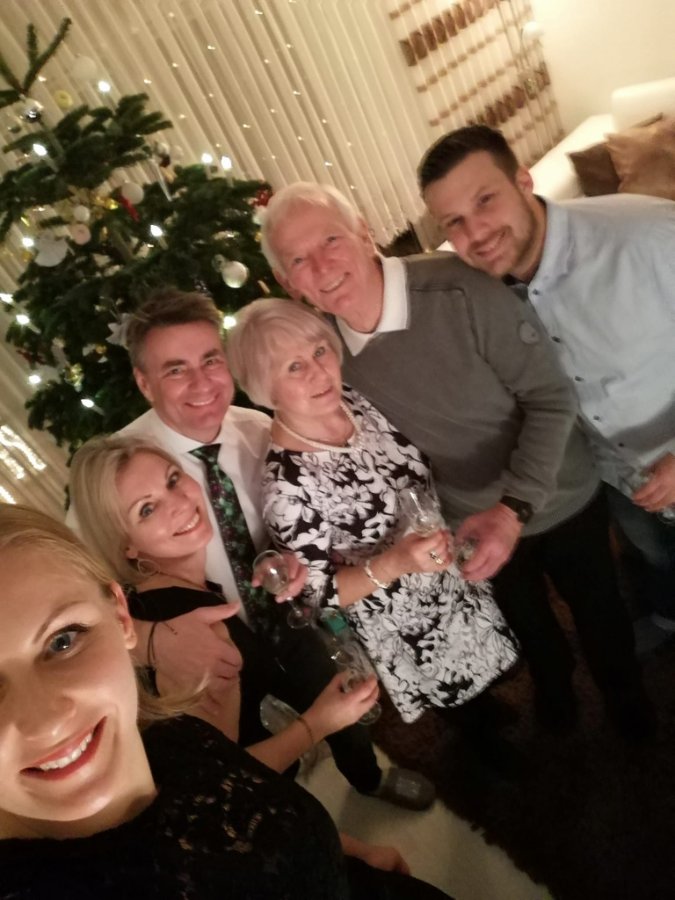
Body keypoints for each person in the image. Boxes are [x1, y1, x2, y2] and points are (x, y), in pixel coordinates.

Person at [259, 181, 650, 738]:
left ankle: (627, 700)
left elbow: (551, 397)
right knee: (530, 624)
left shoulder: (459, 287)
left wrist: (513, 508)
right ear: (286, 282)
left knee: (599, 611)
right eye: (299, 259)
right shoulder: (324, 353)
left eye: (331, 240)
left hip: (558, 492)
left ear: (365, 232)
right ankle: (556, 694)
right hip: (466, 519)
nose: (322, 266)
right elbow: (300, 429)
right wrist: (290, 554)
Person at [67, 288, 433, 808]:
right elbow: (71, 601)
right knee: (245, 762)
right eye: (175, 370)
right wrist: (150, 640)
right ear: (144, 382)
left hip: (287, 619)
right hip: (205, 644)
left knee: (334, 696)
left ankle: (367, 778)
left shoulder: (260, 430)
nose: (202, 383)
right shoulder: (123, 472)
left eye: (211, 360)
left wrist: (291, 558)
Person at [0, 503, 452, 899]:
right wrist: (316, 725)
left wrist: (342, 852)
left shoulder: (171, 733)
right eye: (146, 508)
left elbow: (238, 794)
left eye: (63, 640)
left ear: (120, 616)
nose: (47, 721)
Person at [227, 298, 520, 768]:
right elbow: (317, 596)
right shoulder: (287, 487)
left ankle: (486, 710)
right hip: (405, 617)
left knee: (484, 662)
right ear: (266, 389)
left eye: (319, 350)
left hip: (447, 570)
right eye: (294, 367)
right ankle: (483, 744)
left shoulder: (353, 398)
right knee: (458, 695)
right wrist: (397, 561)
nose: (319, 372)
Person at [417, 124, 675, 633]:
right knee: (656, 560)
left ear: (523, 181)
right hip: (618, 481)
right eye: (455, 222)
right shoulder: (484, 294)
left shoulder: (647, 235)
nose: (477, 233)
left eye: (485, 200)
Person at [69, 434, 379, 775]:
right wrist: (320, 722)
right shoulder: (188, 627)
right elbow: (224, 774)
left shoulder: (167, 593)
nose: (180, 503)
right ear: (126, 544)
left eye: (173, 479)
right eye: (147, 509)